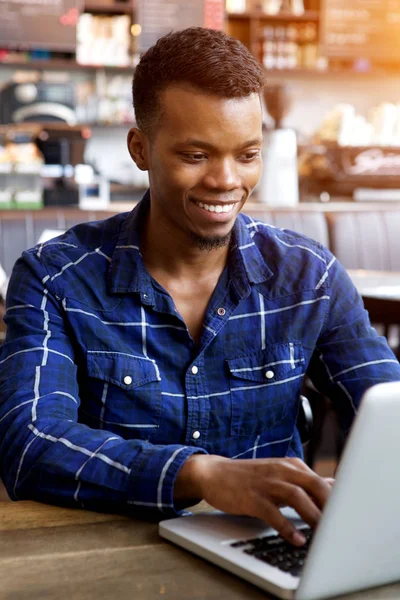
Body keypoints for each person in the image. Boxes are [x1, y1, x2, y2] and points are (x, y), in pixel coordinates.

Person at [0, 27, 399, 547]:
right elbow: (28, 443)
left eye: (247, 154)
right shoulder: (56, 278)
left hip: (272, 548)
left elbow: (387, 413)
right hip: (113, 556)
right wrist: (200, 474)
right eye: (196, 156)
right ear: (140, 149)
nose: (226, 180)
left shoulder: (309, 277)